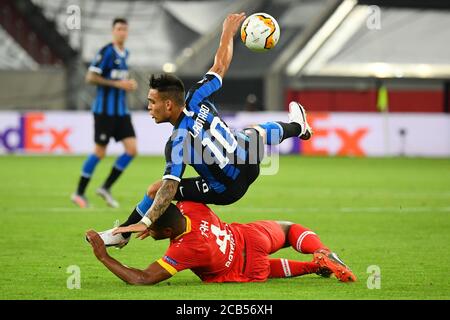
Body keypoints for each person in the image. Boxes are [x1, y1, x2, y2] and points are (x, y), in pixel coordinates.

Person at [98, 12, 312, 246]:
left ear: (168, 104)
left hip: (227, 189)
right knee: (254, 133)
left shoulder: (178, 141)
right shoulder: (196, 97)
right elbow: (220, 65)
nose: (149, 107)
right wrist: (227, 33)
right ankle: (297, 126)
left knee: (154, 190)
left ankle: (122, 235)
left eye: (152, 102)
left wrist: (147, 221)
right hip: (250, 164)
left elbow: (169, 187)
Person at [86, 201, 357, 285]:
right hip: (249, 235)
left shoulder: (185, 250)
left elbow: (142, 279)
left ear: (168, 230)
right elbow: (162, 197)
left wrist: (104, 257)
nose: (145, 229)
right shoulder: (191, 206)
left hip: (246, 267)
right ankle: (320, 253)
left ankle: (312, 267)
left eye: (149, 227)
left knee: (262, 269)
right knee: (289, 229)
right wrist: (141, 224)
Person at [71, 18, 138, 209]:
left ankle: (105, 187)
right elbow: (90, 77)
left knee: (132, 150)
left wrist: (128, 85)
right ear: (113, 31)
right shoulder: (106, 51)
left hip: (121, 112)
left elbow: (120, 79)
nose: (122, 32)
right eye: (118, 29)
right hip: (104, 112)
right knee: (100, 152)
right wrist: (118, 84)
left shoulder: (126, 54)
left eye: (125, 29)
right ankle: (79, 193)